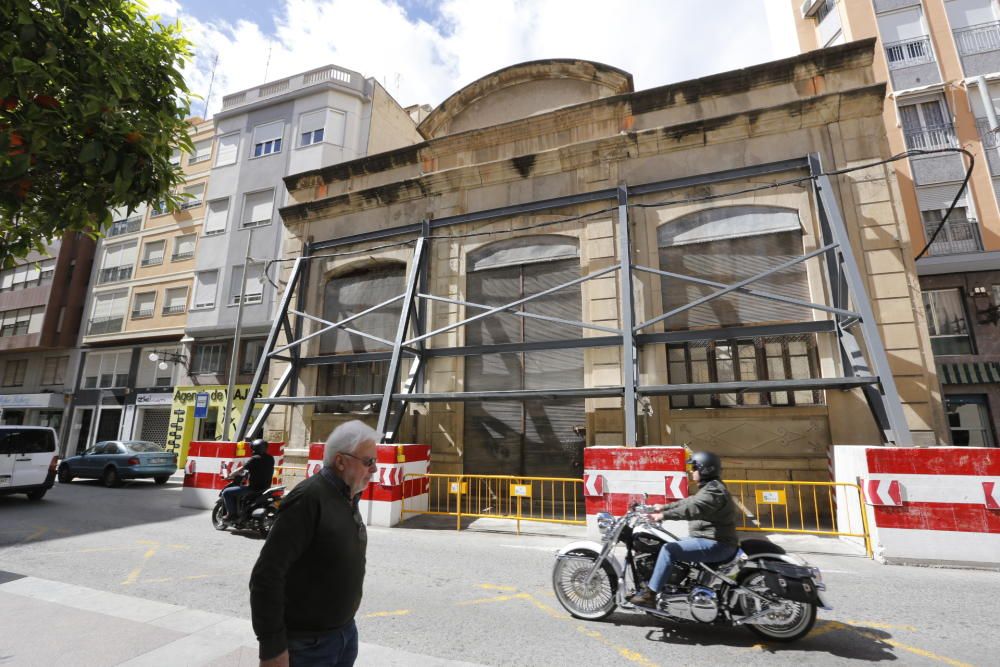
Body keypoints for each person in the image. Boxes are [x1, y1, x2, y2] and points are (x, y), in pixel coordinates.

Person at [249, 420, 379, 667]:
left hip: (344, 635)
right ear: (341, 462)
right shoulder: (309, 498)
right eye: (368, 461)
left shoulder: (348, 495)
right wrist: (273, 648)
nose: (374, 469)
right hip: (308, 645)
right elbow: (267, 575)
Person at [629, 451, 739, 607]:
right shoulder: (711, 487)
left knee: (669, 549)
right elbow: (689, 502)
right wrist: (661, 507)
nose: (691, 471)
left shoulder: (713, 491)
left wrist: (663, 516)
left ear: (704, 469)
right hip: (710, 540)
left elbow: (692, 509)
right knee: (670, 543)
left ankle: (650, 594)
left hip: (718, 544)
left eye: (694, 468)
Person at [221, 438, 275, 523]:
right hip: (266, 488)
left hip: (253, 489)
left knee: (227, 492)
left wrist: (229, 475)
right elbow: (259, 470)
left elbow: (241, 469)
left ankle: (231, 515)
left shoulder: (254, 459)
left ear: (254, 449)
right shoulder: (270, 458)